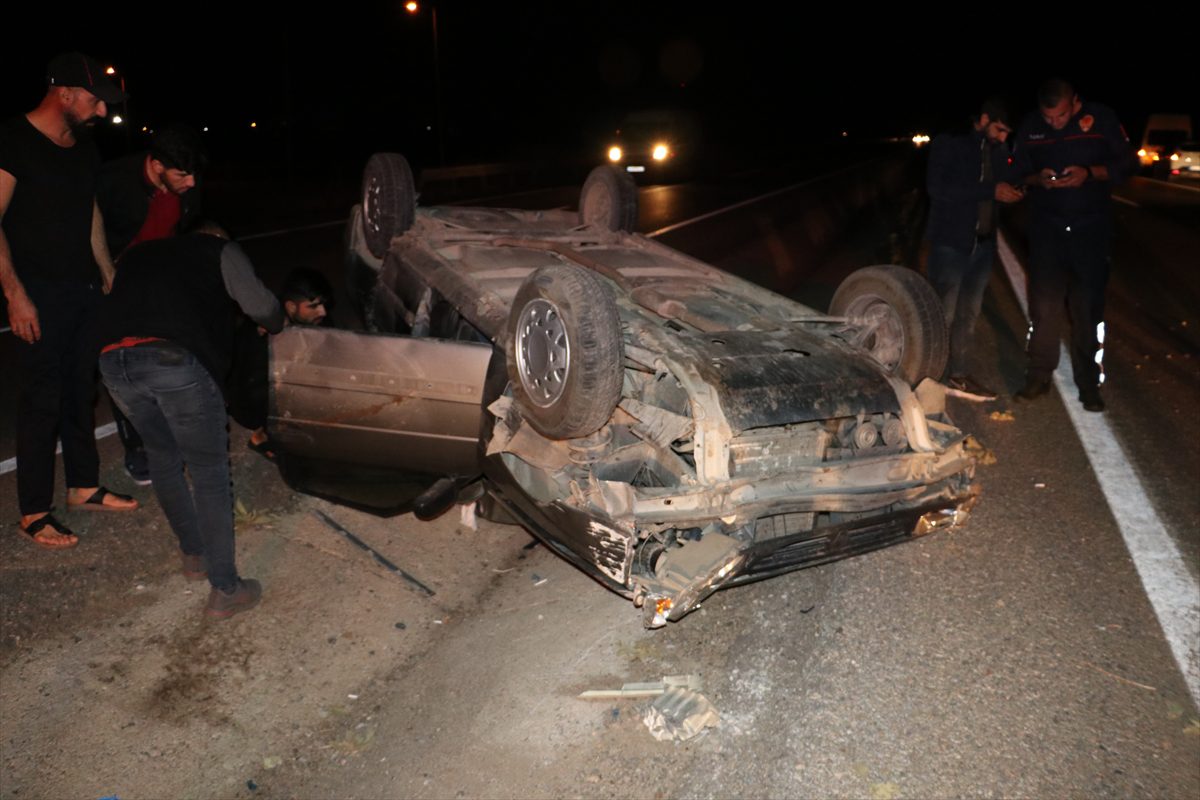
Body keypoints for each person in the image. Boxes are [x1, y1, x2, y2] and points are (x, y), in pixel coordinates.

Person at [96, 222, 283, 617]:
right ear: (214, 236)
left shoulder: (138, 254)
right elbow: (262, 307)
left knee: (163, 458)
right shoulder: (218, 249)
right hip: (173, 361)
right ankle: (226, 588)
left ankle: (195, 555)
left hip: (115, 363)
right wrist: (277, 324)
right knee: (209, 473)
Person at [0, 52, 138, 550]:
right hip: (37, 292)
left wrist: (106, 270)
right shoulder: (12, 140)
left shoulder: (82, 148)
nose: (102, 111)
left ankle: (83, 486)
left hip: (82, 287)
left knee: (81, 388)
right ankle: (34, 510)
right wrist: (15, 294)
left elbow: (90, 212)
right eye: (95, 101)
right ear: (64, 93)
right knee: (42, 398)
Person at [1009, 79, 1135, 412]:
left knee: (1087, 309)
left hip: (1090, 231)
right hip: (1047, 231)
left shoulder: (1101, 119)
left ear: (1075, 102)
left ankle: (1089, 384)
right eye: (1048, 118)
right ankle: (1038, 376)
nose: (1054, 124)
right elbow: (1017, 171)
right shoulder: (1030, 126)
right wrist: (1038, 178)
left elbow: (1127, 164)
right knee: (1044, 307)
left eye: (1061, 116)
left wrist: (1090, 173)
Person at [97, 123, 208, 485]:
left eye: (194, 174)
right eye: (182, 175)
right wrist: (105, 273)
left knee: (168, 361)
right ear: (157, 165)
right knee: (126, 366)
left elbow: (188, 230)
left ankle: (176, 437)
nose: (191, 182)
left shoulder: (186, 186)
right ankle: (137, 447)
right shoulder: (114, 181)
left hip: (160, 284)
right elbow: (86, 229)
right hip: (117, 286)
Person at [925, 98, 1024, 401]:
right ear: (983, 119)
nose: (1003, 136)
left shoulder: (997, 149)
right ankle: (927, 377)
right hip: (951, 243)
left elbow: (1005, 179)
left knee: (969, 313)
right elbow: (938, 188)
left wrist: (1016, 188)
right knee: (942, 313)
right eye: (1000, 129)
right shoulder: (950, 142)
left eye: (1007, 132)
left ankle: (958, 374)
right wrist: (990, 190)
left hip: (983, 245)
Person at [230, 267, 333, 460]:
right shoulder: (265, 327)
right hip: (251, 400)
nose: (323, 311)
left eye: (323, 304)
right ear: (291, 306)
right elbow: (247, 378)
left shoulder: (312, 320)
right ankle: (262, 438)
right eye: (313, 306)